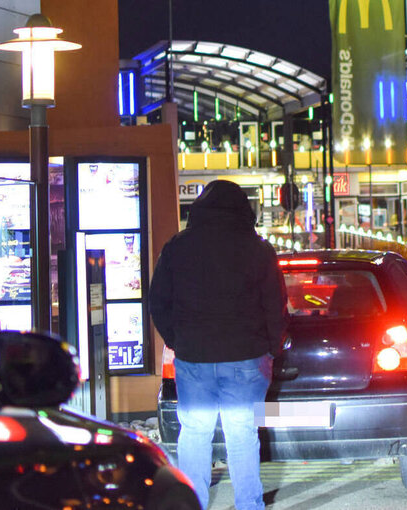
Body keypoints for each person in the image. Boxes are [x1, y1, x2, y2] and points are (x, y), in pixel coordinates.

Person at [149, 180, 288, 510]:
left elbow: (158, 301)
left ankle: (191, 504)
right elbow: (276, 305)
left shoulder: (177, 247)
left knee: (195, 434)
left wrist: (177, 340)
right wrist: (272, 348)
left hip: (194, 358)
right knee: (242, 435)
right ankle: (249, 505)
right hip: (246, 357)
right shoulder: (259, 250)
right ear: (244, 210)